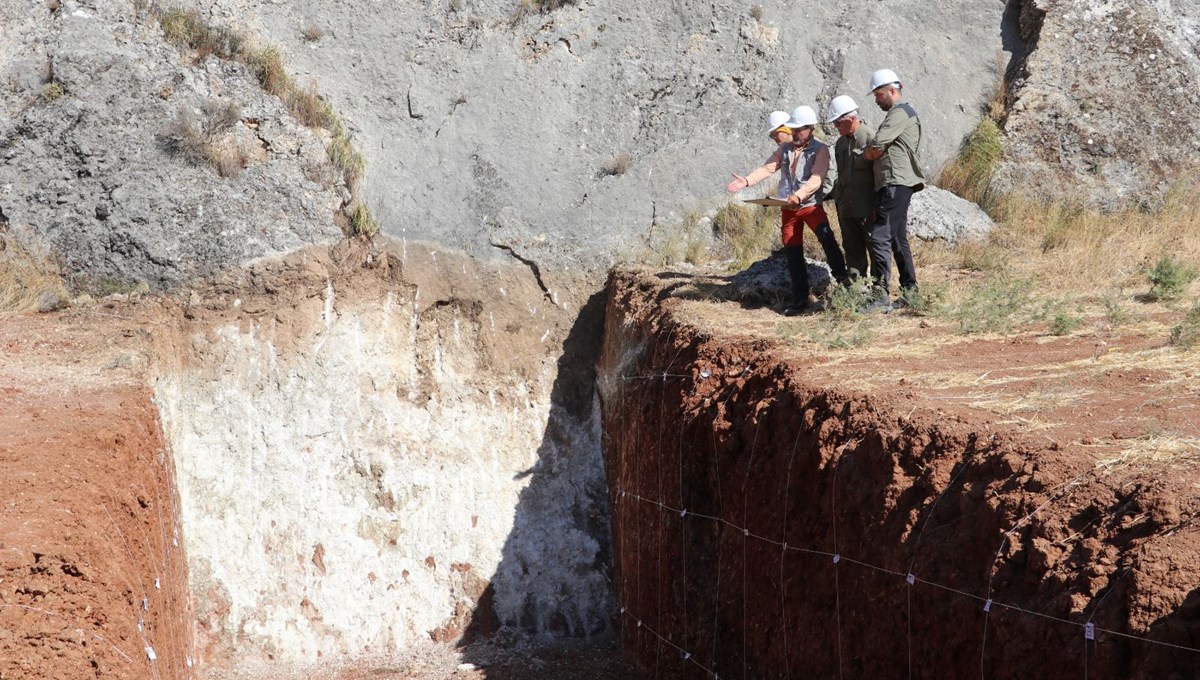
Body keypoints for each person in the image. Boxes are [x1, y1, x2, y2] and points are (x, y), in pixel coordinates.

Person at [727, 107, 849, 315]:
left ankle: (846, 287)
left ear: (810, 129)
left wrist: (798, 196)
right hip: (788, 209)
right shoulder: (785, 149)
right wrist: (747, 181)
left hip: (810, 207)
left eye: (799, 130)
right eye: (793, 130)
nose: (795, 134)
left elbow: (817, 178)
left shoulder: (820, 149)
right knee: (793, 253)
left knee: (828, 242)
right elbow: (768, 168)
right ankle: (800, 301)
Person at [861, 68, 926, 312]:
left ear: (892, 90)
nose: (877, 100)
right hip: (897, 182)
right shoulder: (901, 113)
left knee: (879, 235)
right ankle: (911, 293)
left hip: (895, 182)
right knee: (898, 239)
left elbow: (877, 145)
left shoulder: (900, 113)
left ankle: (879, 296)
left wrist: (868, 155)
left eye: (878, 95)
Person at [825, 95, 874, 282]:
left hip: (868, 206)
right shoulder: (840, 144)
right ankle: (856, 288)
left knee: (874, 248)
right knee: (852, 248)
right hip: (846, 207)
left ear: (851, 118)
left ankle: (878, 291)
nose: (836, 127)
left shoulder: (870, 138)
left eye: (838, 122)